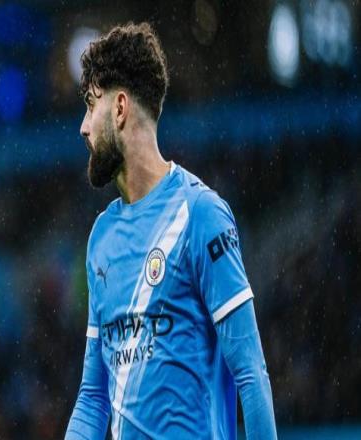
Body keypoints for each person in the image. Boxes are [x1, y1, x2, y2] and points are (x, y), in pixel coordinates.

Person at [65, 22, 277, 440]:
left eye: (91, 105)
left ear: (120, 107)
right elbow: (93, 397)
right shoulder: (101, 237)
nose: (83, 127)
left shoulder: (200, 215)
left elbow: (251, 373)